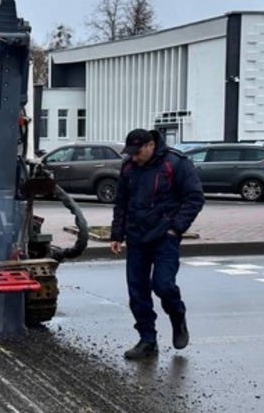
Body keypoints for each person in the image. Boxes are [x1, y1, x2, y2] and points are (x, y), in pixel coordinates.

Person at [110, 128, 206, 359]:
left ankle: (177, 316)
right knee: (137, 291)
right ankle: (147, 340)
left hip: (165, 237)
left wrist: (175, 228)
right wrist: (117, 235)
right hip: (136, 237)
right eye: (130, 153)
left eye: (137, 152)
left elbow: (194, 197)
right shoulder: (128, 168)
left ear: (150, 145)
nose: (133, 157)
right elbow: (121, 203)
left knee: (163, 285)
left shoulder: (175, 163)